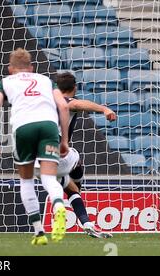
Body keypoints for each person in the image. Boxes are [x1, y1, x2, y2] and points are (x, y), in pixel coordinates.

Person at [0, 48, 71, 245]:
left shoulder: (6, 82)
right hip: (49, 126)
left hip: (24, 127)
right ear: (31, 68)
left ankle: (39, 232)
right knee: (49, 178)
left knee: (26, 181)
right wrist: (64, 140)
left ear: (10, 69)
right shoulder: (45, 80)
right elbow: (64, 106)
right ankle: (59, 205)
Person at [53, 72, 116, 238]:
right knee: (75, 157)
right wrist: (104, 108)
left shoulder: (45, 103)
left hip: (37, 157)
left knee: (69, 187)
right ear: (75, 88)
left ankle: (86, 223)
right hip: (59, 154)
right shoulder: (67, 102)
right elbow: (79, 104)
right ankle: (77, 187)